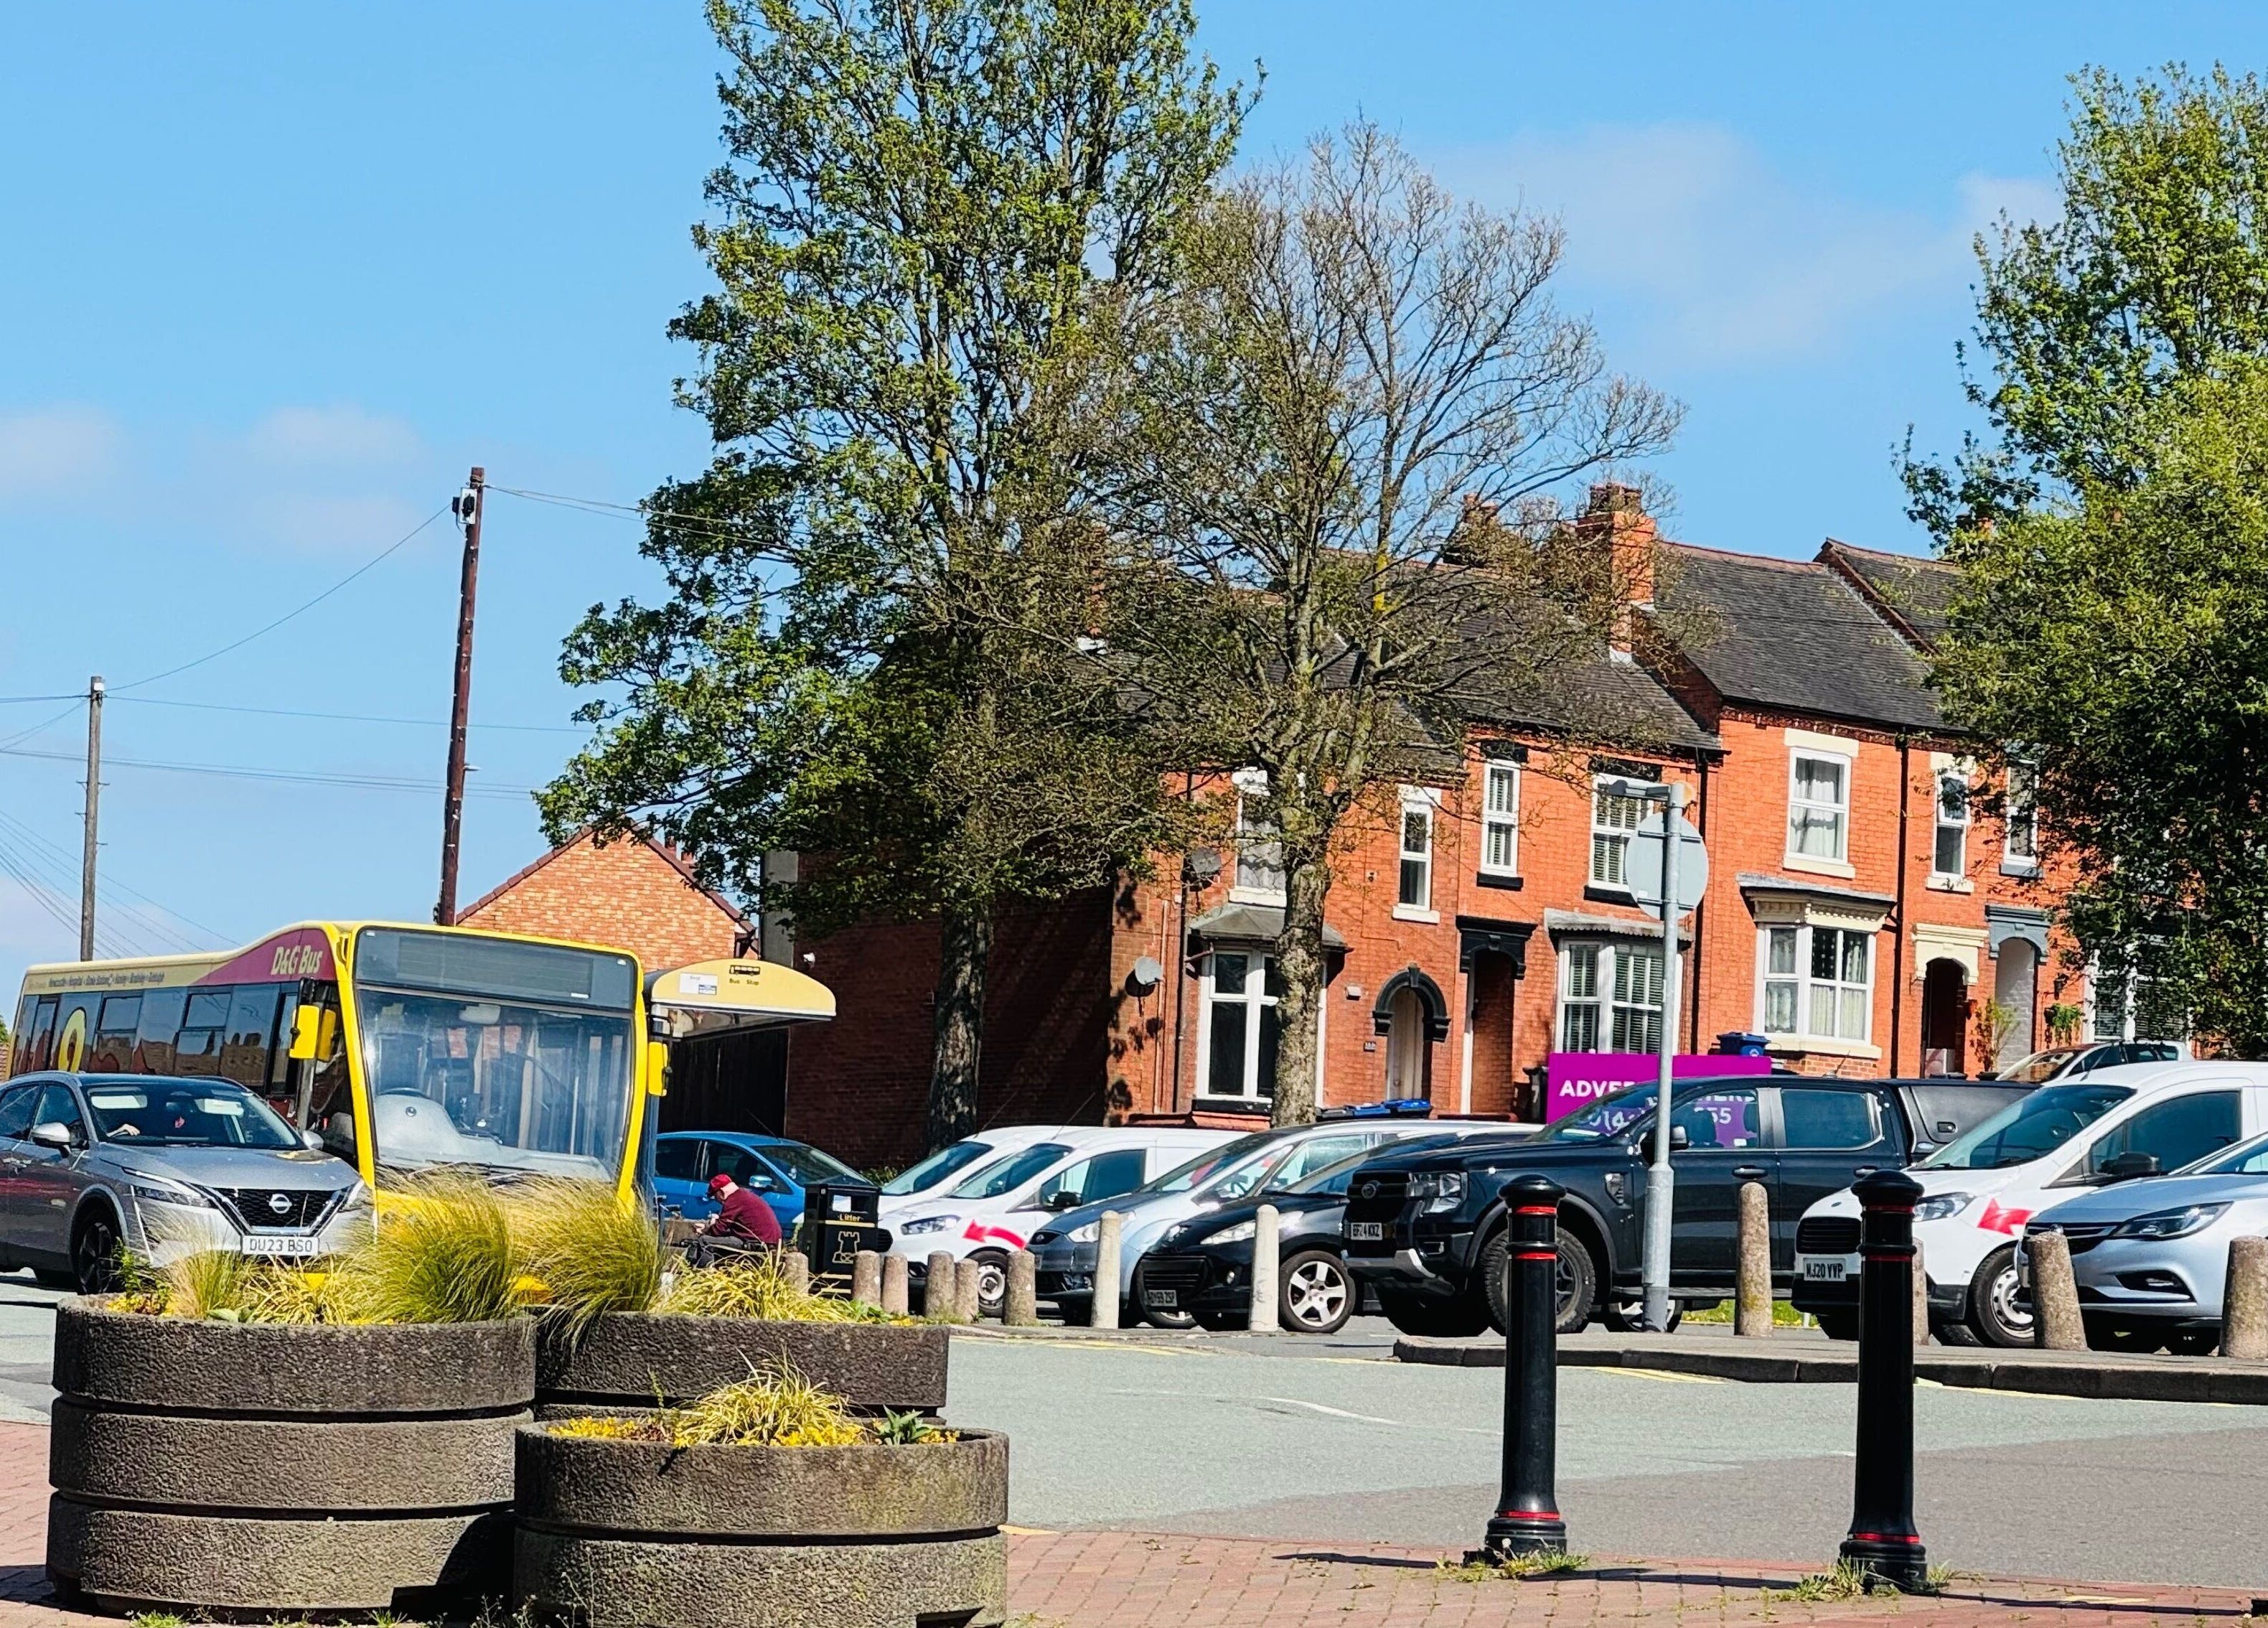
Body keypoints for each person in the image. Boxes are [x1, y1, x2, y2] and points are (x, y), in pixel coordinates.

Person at [703, 1170, 783, 1246]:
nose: (716, 1200)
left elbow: (717, 1231)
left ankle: (706, 1261)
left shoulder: (733, 1200)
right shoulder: (743, 1195)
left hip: (758, 1243)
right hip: (770, 1240)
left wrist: (705, 1230)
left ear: (721, 1192)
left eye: (715, 1196)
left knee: (704, 1240)